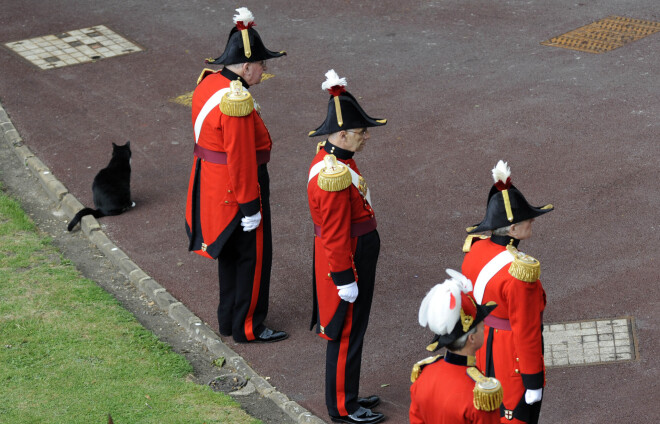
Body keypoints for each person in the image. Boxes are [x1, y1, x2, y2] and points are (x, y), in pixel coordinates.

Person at [185, 7, 287, 343]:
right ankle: (249, 326)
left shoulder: (209, 83)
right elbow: (242, 158)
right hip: (239, 187)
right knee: (252, 258)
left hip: (211, 183)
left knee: (228, 256)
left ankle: (228, 319)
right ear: (245, 66)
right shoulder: (236, 99)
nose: (264, 69)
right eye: (261, 64)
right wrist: (250, 206)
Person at [307, 70, 387, 424]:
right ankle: (342, 406)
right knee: (346, 332)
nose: (365, 136)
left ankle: (349, 393)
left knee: (356, 330)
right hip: (347, 260)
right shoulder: (334, 175)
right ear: (341, 134)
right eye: (360, 132)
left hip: (356, 254)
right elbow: (336, 233)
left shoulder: (339, 161)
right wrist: (344, 277)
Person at [460, 160, 554, 424]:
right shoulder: (519, 272)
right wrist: (533, 379)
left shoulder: (475, 250)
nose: (532, 219)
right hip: (511, 354)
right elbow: (527, 330)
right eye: (526, 218)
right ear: (512, 229)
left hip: (480, 346)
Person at [410, 269, 502, 424]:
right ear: (471, 338)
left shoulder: (424, 374)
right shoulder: (479, 394)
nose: (485, 328)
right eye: (481, 326)